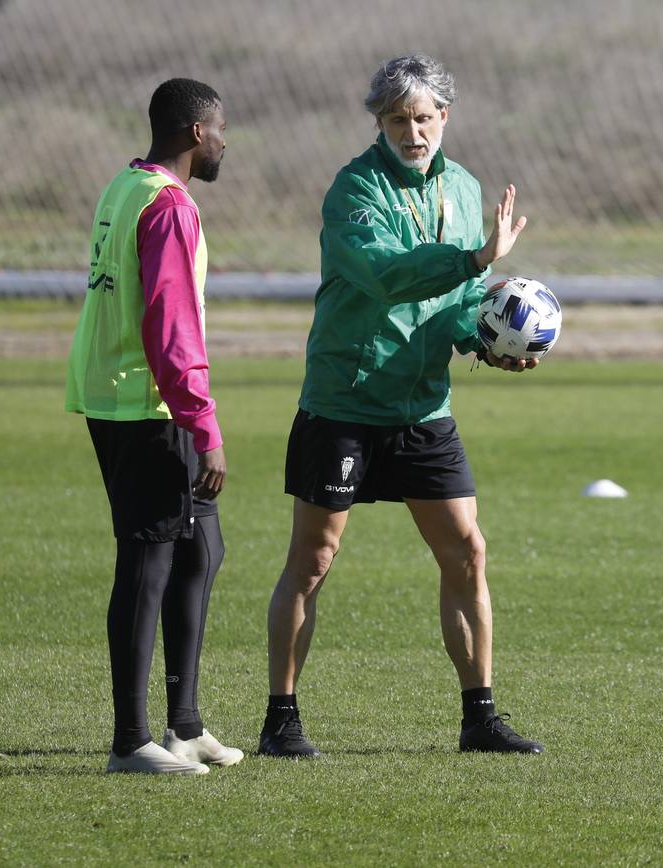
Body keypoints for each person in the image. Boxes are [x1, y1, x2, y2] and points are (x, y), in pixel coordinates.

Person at [259, 53, 544, 758]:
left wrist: (484, 341)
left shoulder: (466, 188)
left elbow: (451, 308)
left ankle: (479, 717)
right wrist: (474, 262)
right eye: (398, 120)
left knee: (468, 554)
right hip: (346, 399)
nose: (413, 132)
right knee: (313, 558)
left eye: (424, 117)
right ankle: (281, 719)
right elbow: (384, 278)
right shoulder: (353, 191)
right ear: (379, 122)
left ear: (444, 116)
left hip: (423, 408)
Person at [65, 77, 244, 775]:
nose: (227, 140)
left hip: (120, 393)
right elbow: (170, 327)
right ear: (196, 133)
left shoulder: (124, 186)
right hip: (145, 405)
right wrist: (205, 425)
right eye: (221, 127)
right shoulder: (168, 208)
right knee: (147, 560)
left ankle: (185, 726)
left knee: (202, 547)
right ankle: (129, 740)